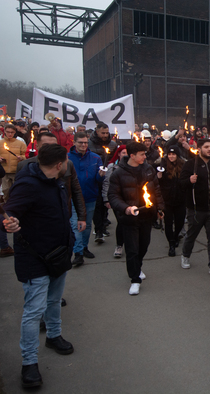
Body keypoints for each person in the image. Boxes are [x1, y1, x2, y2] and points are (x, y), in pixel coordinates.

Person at [3, 144, 75, 388]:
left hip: (58, 254)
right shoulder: (28, 184)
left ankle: (54, 336)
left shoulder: (57, 181)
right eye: (66, 161)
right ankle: (29, 362)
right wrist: (10, 222)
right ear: (59, 164)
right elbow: (9, 211)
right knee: (34, 311)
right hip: (35, 258)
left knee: (54, 300)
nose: (67, 165)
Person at [107, 142, 165, 295]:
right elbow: (113, 196)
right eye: (142, 154)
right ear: (131, 156)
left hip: (147, 216)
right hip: (129, 218)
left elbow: (156, 190)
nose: (145, 157)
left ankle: (137, 267)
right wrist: (125, 208)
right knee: (132, 249)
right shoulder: (118, 173)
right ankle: (135, 280)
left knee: (143, 246)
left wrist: (159, 208)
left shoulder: (148, 169)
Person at [179, 138, 210, 272]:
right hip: (196, 208)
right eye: (206, 147)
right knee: (192, 235)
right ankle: (185, 255)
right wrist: (189, 180)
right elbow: (181, 184)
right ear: (199, 149)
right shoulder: (190, 165)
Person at [68, 131, 105, 267]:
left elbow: (98, 179)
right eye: (80, 143)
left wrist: (101, 175)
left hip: (90, 196)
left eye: (85, 142)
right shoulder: (67, 158)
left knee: (87, 224)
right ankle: (78, 253)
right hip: (72, 196)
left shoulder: (95, 158)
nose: (83, 145)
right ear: (74, 143)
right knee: (76, 225)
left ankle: (84, 247)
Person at [87, 122, 116, 243]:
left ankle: (103, 223)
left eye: (106, 133)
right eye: (102, 133)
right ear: (97, 131)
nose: (105, 135)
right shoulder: (89, 144)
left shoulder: (113, 144)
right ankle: (98, 230)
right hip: (95, 176)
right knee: (97, 203)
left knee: (106, 202)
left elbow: (115, 159)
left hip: (108, 176)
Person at [155, 146, 187, 256]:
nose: (171, 156)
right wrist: (159, 177)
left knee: (180, 222)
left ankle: (176, 236)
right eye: (169, 154)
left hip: (180, 199)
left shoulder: (183, 166)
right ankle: (171, 244)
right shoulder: (162, 166)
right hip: (167, 200)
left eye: (173, 154)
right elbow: (158, 184)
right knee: (168, 223)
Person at [102, 145, 127, 258]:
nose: (125, 155)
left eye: (127, 153)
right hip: (117, 199)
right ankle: (119, 245)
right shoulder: (112, 167)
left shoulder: (134, 166)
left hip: (130, 199)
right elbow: (107, 183)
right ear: (118, 154)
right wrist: (106, 199)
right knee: (121, 223)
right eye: (123, 153)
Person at [0, 124, 27, 201]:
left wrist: (21, 157)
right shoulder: (0, 142)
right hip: (4, 171)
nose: (10, 134)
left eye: (12, 132)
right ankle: (6, 206)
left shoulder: (20, 143)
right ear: (4, 131)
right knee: (6, 190)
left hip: (16, 171)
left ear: (15, 132)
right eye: (8, 132)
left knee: (16, 190)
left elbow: (26, 155)